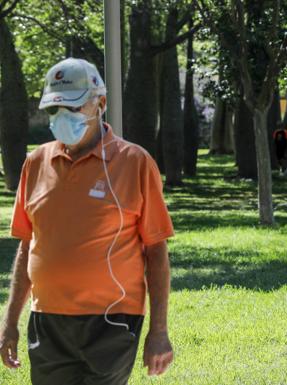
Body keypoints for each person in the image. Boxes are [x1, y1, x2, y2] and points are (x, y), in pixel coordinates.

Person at [0, 58, 175, 384]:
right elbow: (28, 246)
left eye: (73, 106)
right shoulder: (36, 163)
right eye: (54, 110)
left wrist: (159, 331)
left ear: (101, 103)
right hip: (47, 321)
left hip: (111, 322)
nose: (62, 117)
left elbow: (156, 252)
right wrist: (9, 324)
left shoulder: (134, 163)